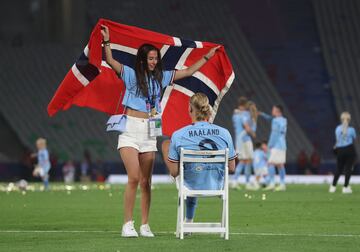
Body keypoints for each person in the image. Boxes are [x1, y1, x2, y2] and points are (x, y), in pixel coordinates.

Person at [101, 25, 221, 237]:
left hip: (149, 131)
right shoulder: (129, 74)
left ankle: (145, 225)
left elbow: (188, 71)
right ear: (142, 60)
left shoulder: (161, 78)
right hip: (130, 129)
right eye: (151, 58)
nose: (154, 62)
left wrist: (207, 57)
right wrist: (107, 42)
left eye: (156, 58)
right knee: (134, 177)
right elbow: (110, 61)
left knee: (147, 182)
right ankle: (127, 224)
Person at [161, 93, 236, 224]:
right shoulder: (224, 133)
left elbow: (174, 172)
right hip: (217, 186)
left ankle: (188, 220)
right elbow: (232, 168)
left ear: (190, 109)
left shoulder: (179, 135)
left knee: (168, 148)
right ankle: (189, 220)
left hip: (189, 185)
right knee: (194, 171)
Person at [260, 105, 287, 191]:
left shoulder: (275, 121)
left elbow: (274, 134)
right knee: (280, 165)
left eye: (273, 109)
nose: (272, 111)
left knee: (270, 163)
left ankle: (272, 183)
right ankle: (282, 184)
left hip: (276, 145)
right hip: (282, 144)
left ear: (278, 111)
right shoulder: (284, 120)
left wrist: (269, 145)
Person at [231, 97, 256, 189]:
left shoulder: (235, 115)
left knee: (242, 161)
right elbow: (246, 127)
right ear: (244, 105)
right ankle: (247, 182)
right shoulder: (243, 114)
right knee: (248, 160)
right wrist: (253, 134)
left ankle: (234, 181)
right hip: (245, 139)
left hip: (238, 139)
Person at [329, 112, 357, 194]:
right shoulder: (351, 130)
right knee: (348, 169)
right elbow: (354, 138)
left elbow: (337, 140)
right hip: (349, 149)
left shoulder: (337, 129)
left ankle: (333, 187)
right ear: (349, 120)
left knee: (339, 169)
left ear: (341, 119)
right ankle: (345, 187)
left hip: (340, 150)